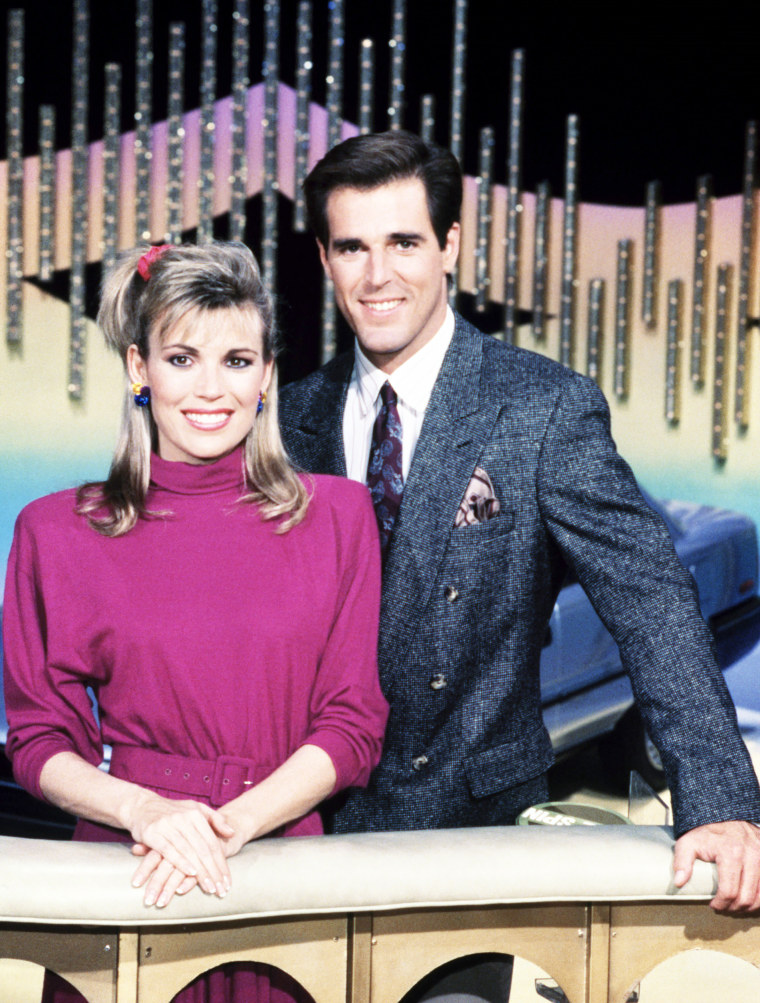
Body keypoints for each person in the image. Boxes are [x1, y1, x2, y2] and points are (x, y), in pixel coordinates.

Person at [278, 130, 760, 998]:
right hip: (299, 836)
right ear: (323, 256)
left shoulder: (541, 407)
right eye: (352, 246)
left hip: (468, 837)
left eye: (404, 243)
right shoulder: (285, 421)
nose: (377, 275)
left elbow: (648, 595)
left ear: (450, 245)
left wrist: (719, 796)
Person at [3, 241, 388, 1003]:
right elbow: (39, 737)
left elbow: (353, 724)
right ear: (139, 369)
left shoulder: (339, 517)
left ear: (268, 374)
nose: (211, 389)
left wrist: (229, 826)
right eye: (183, 358)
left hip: (281, 875)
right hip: (127, 873)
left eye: (238, 360)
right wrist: (146, 812)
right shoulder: (56, 530)